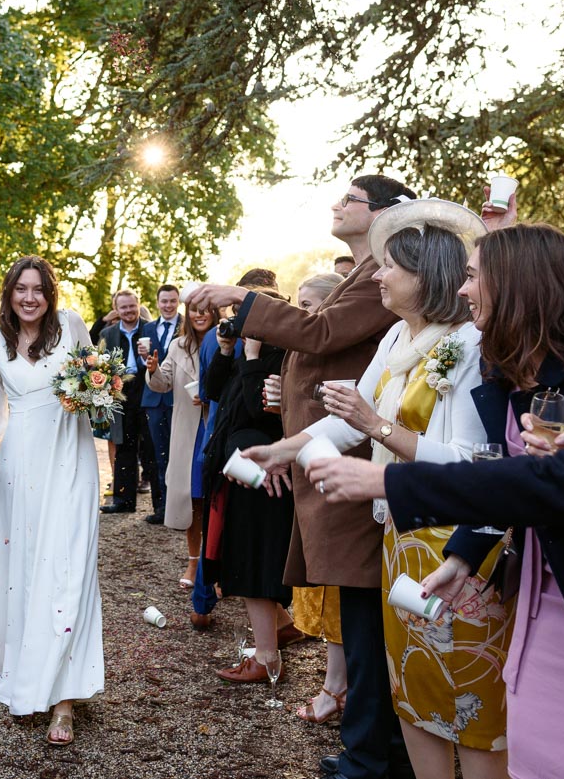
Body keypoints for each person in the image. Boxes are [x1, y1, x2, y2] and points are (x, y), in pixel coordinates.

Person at [249, 199, 511, 778]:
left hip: (457, 545)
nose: (378, 276)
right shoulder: (394, 337)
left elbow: (475, 465)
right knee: (411, 687)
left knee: (467, 698)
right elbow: (349, 421)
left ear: (427, 275)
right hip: (396, 536)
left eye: (391, 266)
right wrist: (283, 449)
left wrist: (380, 428)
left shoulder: (470, 349)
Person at [311, 219, 564, 779]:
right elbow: (509, 475)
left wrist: (386, 478)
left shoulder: (478, 354)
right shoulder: (510, 372)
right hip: (473, 554)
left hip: (520, 570)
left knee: (497, 722)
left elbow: (496, 469)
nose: (463, 288)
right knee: (419, 694)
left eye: (474, 276)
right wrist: (464, 556)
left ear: (517, 285)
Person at [189, 174, 417, 779]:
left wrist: (240, 299)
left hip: (356, 467)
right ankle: (373, 747)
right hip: (327, 450)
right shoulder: (362, 275)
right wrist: (288, 401)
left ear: (384, 213)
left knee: (366, 617)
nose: (336, 205)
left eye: (350, 199)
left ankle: (371, 754)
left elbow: (321, 333)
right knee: (359, 613)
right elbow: (326, 354)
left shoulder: (378, 277)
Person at [0, 256, 104, 746]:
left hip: (71, 460)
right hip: (19, 468)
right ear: (9, 294)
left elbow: (97, 391)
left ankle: (66, 699)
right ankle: (29, 673)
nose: (29, 298)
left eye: (38, 289)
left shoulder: (71, 326)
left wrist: (92, 394)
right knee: (27, 570)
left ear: (50, 295)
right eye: (21, 289)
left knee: (70, 569)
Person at [203, 289, 294, 684]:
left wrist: (253, 356)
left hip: (265, 476)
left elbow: (261, 411)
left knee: (255, 564)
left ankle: (267, 657)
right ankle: (276, 635)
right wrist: (227, 352)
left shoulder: (281, 356)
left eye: (245, 314)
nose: (237, 322)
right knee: (243, 559)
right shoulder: (244, 353)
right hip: (240, 472)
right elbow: (212, 392)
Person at [287, 271, 351, 724]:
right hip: (308, 466)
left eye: (308, 305)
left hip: (337, 474)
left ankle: (338, 687)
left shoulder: (341, 343)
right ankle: (336, 683)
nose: (301, 313)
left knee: (339, 591)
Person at [145, 302, 213, 586]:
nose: (200, 314)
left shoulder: (228, 342)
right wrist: (153, 370)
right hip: (188, 432)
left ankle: (217, 566)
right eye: (194, 309)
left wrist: (210, 396)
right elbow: (163, 384)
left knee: (215, 500)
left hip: (215, 427)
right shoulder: (178, 346)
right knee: (193, 499)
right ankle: (193, 562)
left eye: (205, 309)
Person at [98, 289, 157, 514]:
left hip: (148, 388)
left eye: (132, 306)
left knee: (152, 447)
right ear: (116, 309)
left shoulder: (151, 329)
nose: (129, 310)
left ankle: (160, 506)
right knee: (123, 447)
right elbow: (101, 365)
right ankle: (123, 501)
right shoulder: (107, 333)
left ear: (138, 305)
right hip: (121, 394)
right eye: (123, 307)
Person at [138, 284, 181, 525]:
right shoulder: (147, 328)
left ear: (178, 302)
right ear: (157, 302)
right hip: (153, 399)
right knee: (157, 453)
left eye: (172, 301)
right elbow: (142, 365)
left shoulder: (187, 325)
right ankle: (161, 506)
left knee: (178, 453)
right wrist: (143, 358)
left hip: (178, 397)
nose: (168, 305)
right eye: (164, 301)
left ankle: (180, 506)